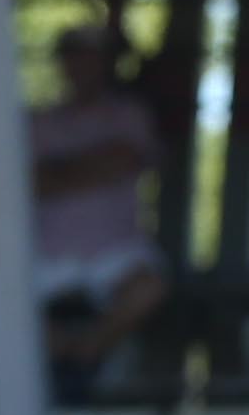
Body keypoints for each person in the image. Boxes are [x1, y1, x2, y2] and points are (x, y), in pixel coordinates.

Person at [22, 23, 169, 391]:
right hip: (47, 256)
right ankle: (63, 358)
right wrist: (96, 164)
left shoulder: (130, 114)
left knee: (149, 288)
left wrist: (61, 172)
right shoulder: (40, 122)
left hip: (116, 254)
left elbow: (126, 159)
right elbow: (31, 184)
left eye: (89, 58)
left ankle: (88, 353)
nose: (80, 67)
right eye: (72, 57)